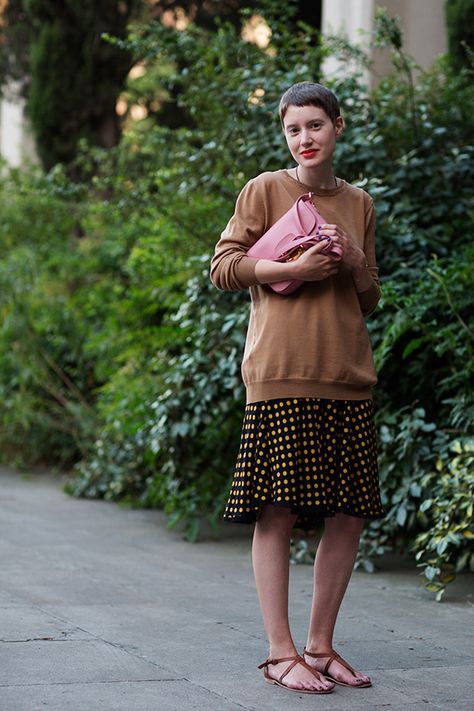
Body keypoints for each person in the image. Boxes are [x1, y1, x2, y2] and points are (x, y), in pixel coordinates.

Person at [210, 81, 385, 695]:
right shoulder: (265, 189)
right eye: (293, 129)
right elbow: (224, 267)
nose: (304, 138)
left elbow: (368, 296)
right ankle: (281, 652)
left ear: (339, 126)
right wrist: (293, 269)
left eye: (315, 125)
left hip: (347, 375)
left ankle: (320, 646)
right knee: (276, 511)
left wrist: (358, 262)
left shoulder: (359, 201)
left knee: (347, 515)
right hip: (280, 372)